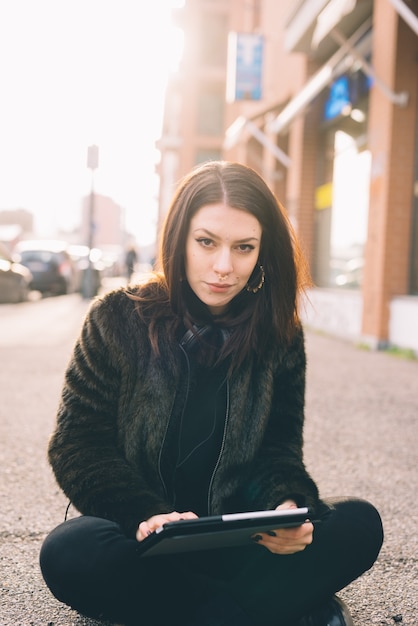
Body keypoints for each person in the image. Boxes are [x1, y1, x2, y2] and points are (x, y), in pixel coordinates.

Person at [40, 161, 383, 626]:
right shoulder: (114, 319)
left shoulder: (279, 334)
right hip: (144, 543)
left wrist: (284, 506)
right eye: (207, 242)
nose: (224, 267)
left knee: (359, 523)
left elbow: (278, 451)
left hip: (242, 543)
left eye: (244, 248)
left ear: (262, 253)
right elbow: (78, 445)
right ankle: (276, 607)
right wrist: (146, 513)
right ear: (180, 239)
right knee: (70, 551)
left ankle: (197, 611)